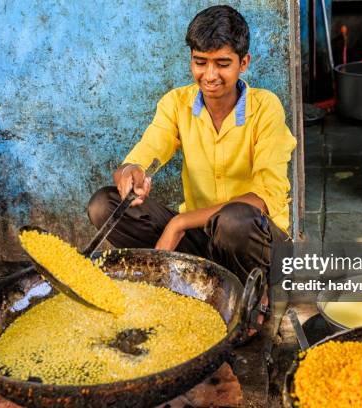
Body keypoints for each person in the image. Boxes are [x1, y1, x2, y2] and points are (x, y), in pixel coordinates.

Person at [87, 5, 296, 335]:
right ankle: (182, 282)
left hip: (256, 239)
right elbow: (145, 152)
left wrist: (178, 222)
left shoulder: (265, 108)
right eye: (200, 62)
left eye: (222, 64)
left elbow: (264, 198)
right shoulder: (176, 103)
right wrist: (131, 172)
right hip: (202, 240)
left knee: (235, 220)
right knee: (104, 204)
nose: (210, 75)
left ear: (244, 63)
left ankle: (253, 298)